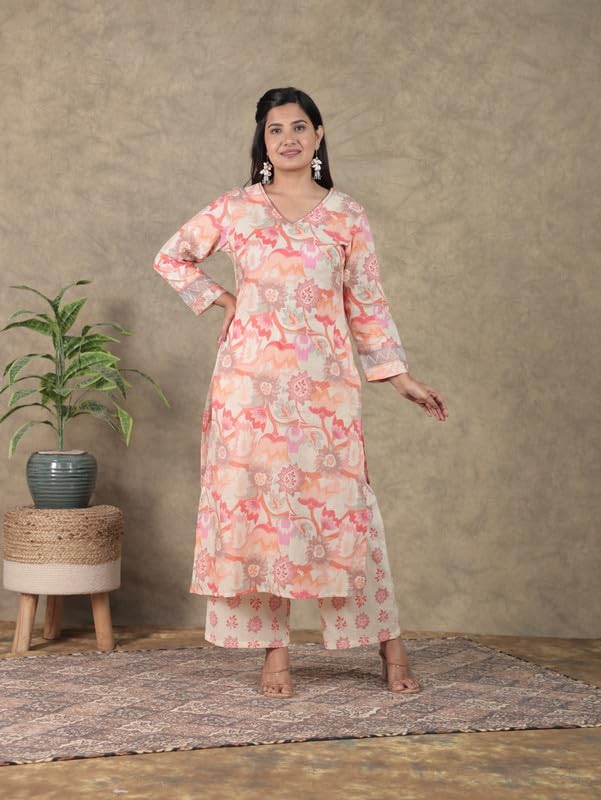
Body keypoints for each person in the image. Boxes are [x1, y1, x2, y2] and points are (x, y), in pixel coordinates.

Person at [153, 87, 448, 699]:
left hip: (324, 393)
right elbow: (172, 258)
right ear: (262, 141)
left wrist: (400, 378)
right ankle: (275, 653)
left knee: (348, 511)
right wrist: (224, 300)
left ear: (318, 135)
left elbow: (366, 303)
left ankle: (388, 643)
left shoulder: (347, 216)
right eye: (274, 129)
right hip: (248, 388)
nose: (286, 138)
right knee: (262, 516)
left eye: (298, 127)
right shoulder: (237, 208)